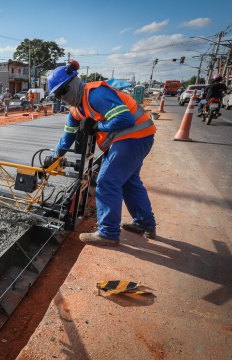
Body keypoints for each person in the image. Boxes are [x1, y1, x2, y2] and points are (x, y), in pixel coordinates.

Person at [48, 60, 157, 246]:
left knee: (107, 181)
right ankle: (144, 224)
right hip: (133, 139)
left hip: (134, 137)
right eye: (58, 95)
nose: (63, 97)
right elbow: (69, 135)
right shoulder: (75, 110)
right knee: (129, 182)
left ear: (74, 82)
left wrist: (99, 126)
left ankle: (108, 233)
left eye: (64, 91)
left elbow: (125, 119)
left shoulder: (95, 93)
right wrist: (56, 155)